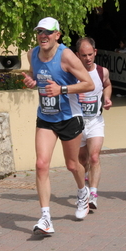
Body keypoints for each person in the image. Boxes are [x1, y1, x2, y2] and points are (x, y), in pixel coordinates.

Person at [22, 17, 95, 235]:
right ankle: (45, 218)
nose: (43, 35)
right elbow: (38, 78)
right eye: (39, 31)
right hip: (46, 116)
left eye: (48, 32)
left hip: (69, 117)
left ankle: (83, 193)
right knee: (41, 164)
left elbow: (88, 84)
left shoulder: (66, 56)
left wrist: (62, 90)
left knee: (72, 165)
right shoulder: (32, 54)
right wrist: (32, 83)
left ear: (57, 35)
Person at [75, 37, 112, 210]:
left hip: (95, 121)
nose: (88, 58)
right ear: (77, 55)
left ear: (95, 52)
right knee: (82, 160)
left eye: (90, 54)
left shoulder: (101, 71)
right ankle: (84, 189)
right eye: (84, 55)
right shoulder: (72, 73)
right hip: (77, 123)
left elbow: (107, 85)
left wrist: (107, 98)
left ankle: (93, 195)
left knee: (94, 157)